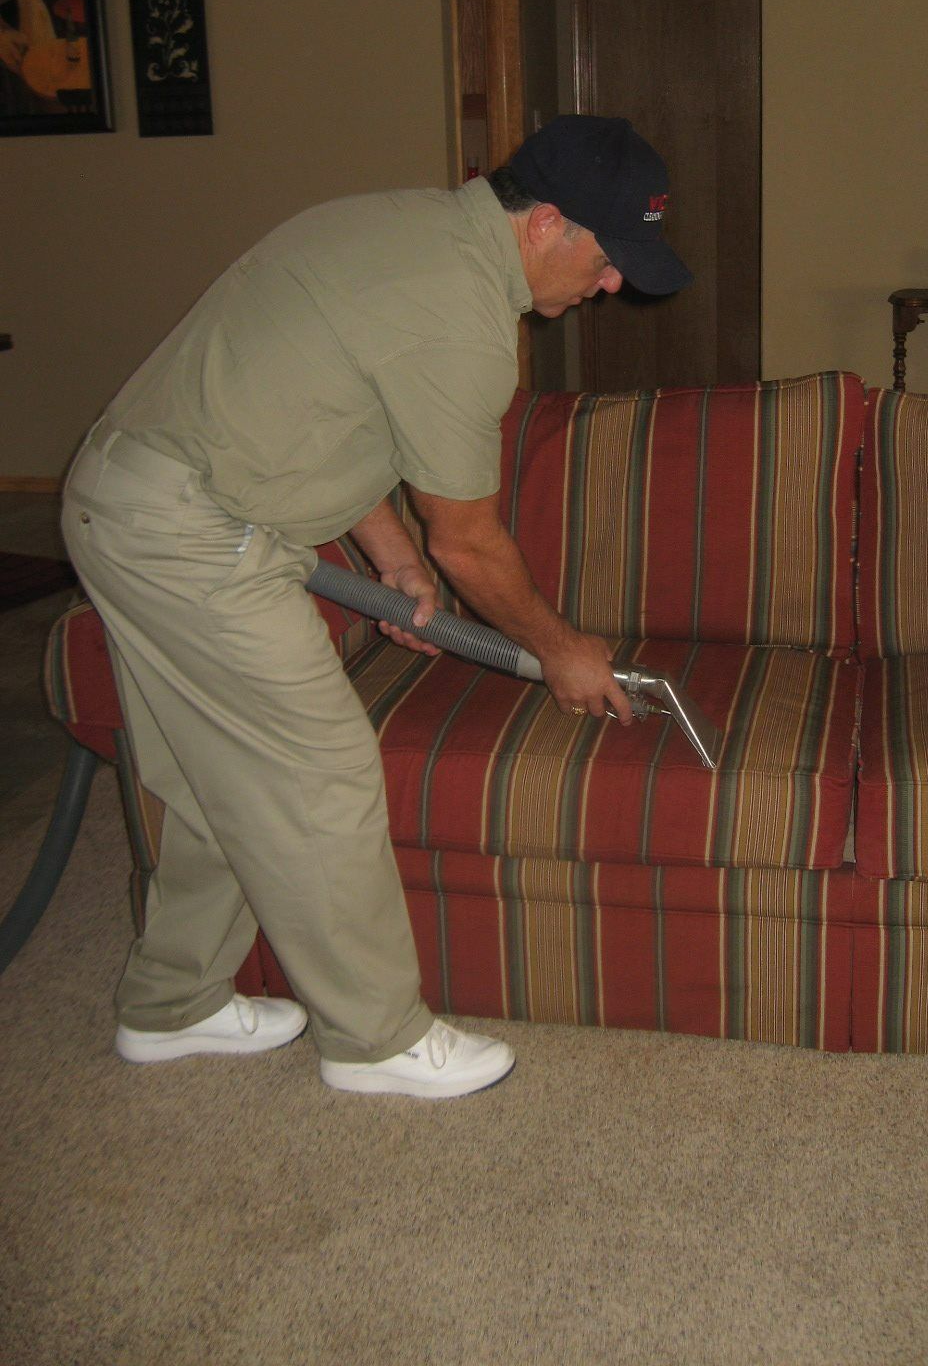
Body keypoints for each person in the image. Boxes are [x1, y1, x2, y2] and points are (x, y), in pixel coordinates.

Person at [61, 114, 692, 1099]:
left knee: (214, 776)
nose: (611, 285)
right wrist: (563, 648)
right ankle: (376, 1038)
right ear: (546, 224)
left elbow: (335, 412)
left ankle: (170, 1003)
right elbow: (470, 542)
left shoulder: (391, 227)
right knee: (319, 771)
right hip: (189, 531)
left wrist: (394, 560)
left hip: (126, 500)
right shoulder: (460, 314)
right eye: (609, 258)